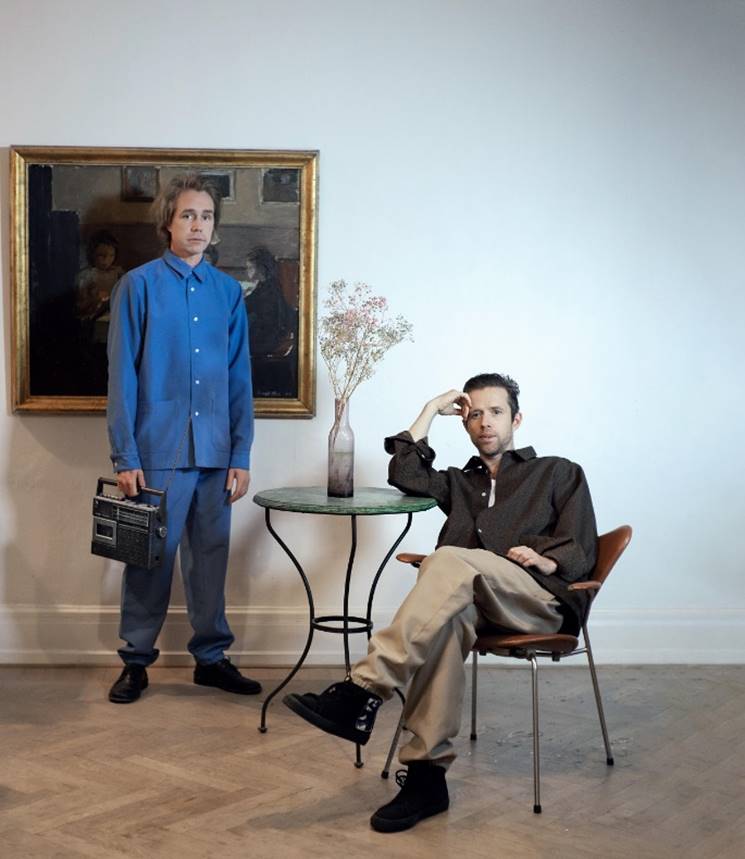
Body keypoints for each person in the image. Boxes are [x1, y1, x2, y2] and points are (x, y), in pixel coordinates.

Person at [284, 373, 598, 832]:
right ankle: (427, 779)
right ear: (464, 424)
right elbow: (404, 474)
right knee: (447, 624)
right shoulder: (460, 483)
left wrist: (548, 559)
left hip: (535, 600)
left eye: (496, 412)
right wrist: (431, 409)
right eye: (475, 414)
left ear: (516, 419)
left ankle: (361, 690)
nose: (485, 423)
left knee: (447, 558)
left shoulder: (557, 471)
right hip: (479, 604)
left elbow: (582, 544)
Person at [106, 173, 261, 704]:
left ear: (215, 227)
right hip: (155, 450)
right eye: (188, 215)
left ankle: (211, 659)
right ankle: (135, 661)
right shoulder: (139, 286)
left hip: (216, 449)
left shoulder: (227, 293)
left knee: (210, 558)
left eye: (207, 216)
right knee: (148, 556)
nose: (198, 225)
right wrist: (125, 454)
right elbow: (122, 376)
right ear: (168, 223)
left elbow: (239, 377)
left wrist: (241, 452)